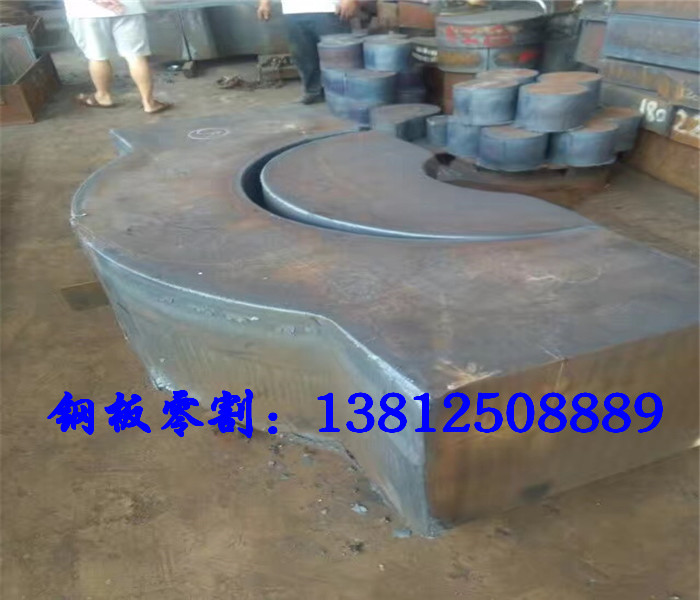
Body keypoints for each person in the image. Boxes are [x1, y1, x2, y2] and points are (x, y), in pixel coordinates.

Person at [63, 0, 171, 113]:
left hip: (86, 11)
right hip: (127, 7)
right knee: (136, 56)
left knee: (97, 56)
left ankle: (103, 97)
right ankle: (149, 102)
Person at [257, 0, 359, 104]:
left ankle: (345, 95)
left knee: (339, 56)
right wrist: (264, 3)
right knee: (303, 55)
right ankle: (313, 92)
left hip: (329, 9)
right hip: (292, 11)